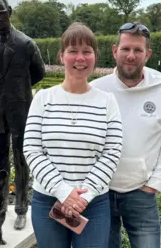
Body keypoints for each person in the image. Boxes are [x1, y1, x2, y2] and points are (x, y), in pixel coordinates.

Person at [23, 22, 123, 248]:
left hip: (93, 203)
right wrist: (63, 191)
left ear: (95, 57)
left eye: (87, 51)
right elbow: (32, 150)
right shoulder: (43, 98)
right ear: (61, 56)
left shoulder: (107, 102)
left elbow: (112, 152)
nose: (80, 58)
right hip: (47, 200)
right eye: (73, 51)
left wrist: (80, 198)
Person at [90, 22, 161, 248]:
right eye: (126, 49)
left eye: (138, 50)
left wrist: (155, 184)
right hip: (100, 193)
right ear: (115, 51)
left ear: (147, 54)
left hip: (141, 193)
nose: (131, 56)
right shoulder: (95, 89)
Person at [0, 0, 46, 230]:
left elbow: (39, 73)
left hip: (20, 109)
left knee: (21, 159)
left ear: (10, 12)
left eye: (1, 13)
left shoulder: (26, 44)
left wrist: (18, 90)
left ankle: (21, 208)